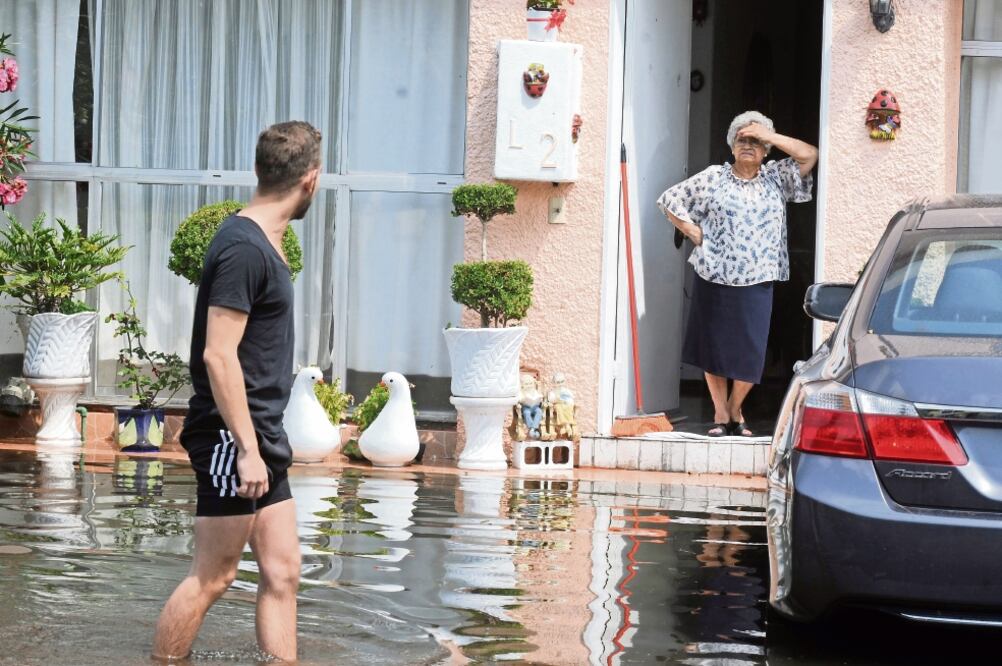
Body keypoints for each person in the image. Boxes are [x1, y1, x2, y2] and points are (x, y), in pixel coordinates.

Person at [152, 121, 322, 662]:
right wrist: (247, 449)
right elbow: (217, 354)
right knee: (214, 576)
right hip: (234, 438)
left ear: (258, 170)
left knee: (282, 570)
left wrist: (259, 442)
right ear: (311, 181)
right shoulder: (244, 249)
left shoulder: (261, 241)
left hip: (258, 433)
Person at [657, 111, 817, 437]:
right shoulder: (714, 177)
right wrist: (692, 231)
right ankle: (721, 413)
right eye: (742, 140)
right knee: (713, 347)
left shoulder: (776, 176)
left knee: (750, 349)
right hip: (714, 272)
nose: (749, 146)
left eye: (756, 142)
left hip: (758, 277)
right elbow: (670, 200)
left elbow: (809, 154)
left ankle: (734, 407)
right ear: (731, 146)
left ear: (765, 150)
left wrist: (768, 135)